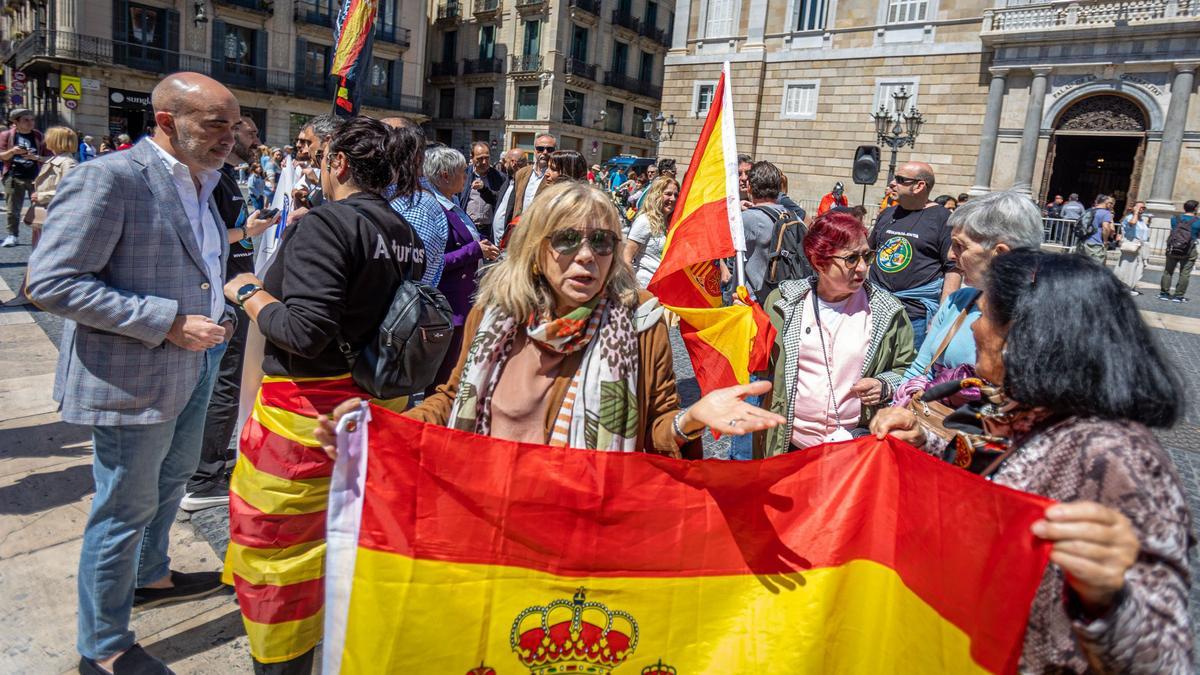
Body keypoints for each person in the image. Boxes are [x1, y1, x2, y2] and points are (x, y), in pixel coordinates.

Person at [871, 250, 1192, 673]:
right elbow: (994, 466)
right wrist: (924, 441)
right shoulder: (1023, 412)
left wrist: (1108, 597)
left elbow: (1168, 660)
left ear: (1026, 336)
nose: (975, 327)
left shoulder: (1117, 458)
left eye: (985, 315)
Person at [313, 181, 784, 460]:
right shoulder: (494, 315)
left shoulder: (641, 321)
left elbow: (656, 431)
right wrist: (382, 429)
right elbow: (452, 400)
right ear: (536, 247)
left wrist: (691, 418)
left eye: (602, 242)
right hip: (489, 518)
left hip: (586, 530)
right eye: (567, 239)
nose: (587, 256)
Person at [26, 72, 240, 675]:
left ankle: (151, 575)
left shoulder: (204, 181)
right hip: (134, 376)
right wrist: (167, 322)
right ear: (167, 121)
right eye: (215, 124)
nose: (230, 136)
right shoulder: (110, 178)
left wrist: (218, 311)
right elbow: (50, 282)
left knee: (171, 482)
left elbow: (199, 263)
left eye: (233, 124)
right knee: (122, 508)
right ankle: (104, 646)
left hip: (196, 363)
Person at [220, 116, 427, 674]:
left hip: (305, 425)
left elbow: (305, 331)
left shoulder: (327, 224)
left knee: (280, 559)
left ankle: (286, 661)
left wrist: (249, 292)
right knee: (343, 549)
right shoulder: (405, 234)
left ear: (338, 163)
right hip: (370, 415)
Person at [180, 114, 278, 513]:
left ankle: (200, 466)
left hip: (232, 292)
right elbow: (204, 236)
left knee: (222, 382)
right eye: (250, 132)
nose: (256, 140)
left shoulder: (225, 178)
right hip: (226, 295)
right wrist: (249, 231)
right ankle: (203, 478)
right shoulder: (214, 180)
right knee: (224, 385)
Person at [757, 210, 915, 456]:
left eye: (867, 256)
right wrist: (743, 326)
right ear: (819, 262)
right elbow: (760, 365)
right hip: (790, 445)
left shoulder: (887, 310)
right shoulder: (783, 303)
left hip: (856, 447)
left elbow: (909, 370)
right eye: (851, 259)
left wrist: (884, 384)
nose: (862, 268)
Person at [899, 190, 1045, 389]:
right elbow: (920, 371)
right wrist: (899, 400)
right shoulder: (958, 301)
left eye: (960, 246)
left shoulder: (1050, 319)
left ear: (1001, 254)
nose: (950, 255)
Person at [423, 145, 501, 391]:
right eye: (462, 172)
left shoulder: (452, 202)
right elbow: (434, 262)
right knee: (443, 380)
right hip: (448, 306)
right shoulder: (433, 209)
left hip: (463, 302)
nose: (466, 176)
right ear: (445, 176)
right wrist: (475, 250)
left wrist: (481, 246)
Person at [869, 161, 961, 349]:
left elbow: (953, 269)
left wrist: (942, 316)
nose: (892, 183)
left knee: (907, 367)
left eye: (900, 179)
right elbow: (868, 254)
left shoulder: (944, 219)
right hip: (875, 308)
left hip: (914, 317)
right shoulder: (887, 214)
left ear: (919, 186)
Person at [384, 119, 450, 287]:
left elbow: (400, 287)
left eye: (386, 142)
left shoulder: (415, 209)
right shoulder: (398, 198)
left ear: (415, 157)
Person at [740, 161, 791, 301]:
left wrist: (735, 209)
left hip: (753, 302)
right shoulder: (790, 215)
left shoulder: (749, 218)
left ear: (749, 187)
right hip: (783, 300)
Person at [26, 126, 79, 250]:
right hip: (46, 212)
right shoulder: (55, 159)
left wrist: (41, 196)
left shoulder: (68, 163)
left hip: (55, 214)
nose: (45, 141)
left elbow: (70, 190)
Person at [0, 108, 46, 247]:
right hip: (14, 176)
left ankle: (40, 236)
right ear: (16, 122)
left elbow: (47, 156)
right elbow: (2, 156)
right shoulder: (6, 135)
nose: (30, 123)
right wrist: (12, 151)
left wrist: (35, 157)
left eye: (32, 120)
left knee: (40, 207)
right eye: (26, 120)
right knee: (12, 209)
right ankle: (12, 235)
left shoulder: (38, 136)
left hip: (35, 177)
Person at [623, 176, 678, 286]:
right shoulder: (644, 221)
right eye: (668, 194)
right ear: (656, 195)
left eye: (676, 195)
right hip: (644, 286)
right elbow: (626, 259)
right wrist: (634, 288)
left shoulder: (671, 223)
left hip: (663, 287)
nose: (673, 199)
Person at [457, 141, 505, 241]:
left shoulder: (499, 177)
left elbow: (500, 201)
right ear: (472, 157)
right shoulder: (463, 175)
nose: (484, 162)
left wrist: (484, 189)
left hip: (489, 230)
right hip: (468, 227)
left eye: (487, 158)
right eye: (480, 158)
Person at [1159, 199, 1199, 302]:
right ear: (1195, 208)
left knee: (1168, 271)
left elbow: (1174, 230)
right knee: (1184, 273)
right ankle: (1178, 296)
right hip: (1189, 249)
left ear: (1184, 208)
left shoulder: (1175, 219)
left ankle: (1164, 294)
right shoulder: (1198, 221)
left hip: (1173, 248)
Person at [510, 133, 556, 221]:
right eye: (540, 149)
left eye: (549, 149)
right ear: (534, 150)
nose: (545, 152)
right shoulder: (521, 173)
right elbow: (513, 204)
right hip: (519, 225)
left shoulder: (557, 176)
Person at [491, 147, 529, 245]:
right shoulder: (509, 180)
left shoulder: (524, 185)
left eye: (505, 162)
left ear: (513, 163)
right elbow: (498, 199)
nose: (504, 165)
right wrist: (483, 189)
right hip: (497, 240)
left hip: (509, 241)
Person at [1114, 200, 1151, 296]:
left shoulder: (1141, 220)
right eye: (1140, 207)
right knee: (1128, 266)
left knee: (1138, 267)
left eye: (1143, 208)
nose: (1142, 209)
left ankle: (1131, 286)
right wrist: (1135, 212)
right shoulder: (1130, 217)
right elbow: (1133, 223)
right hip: (1131, 244)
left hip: (1140, 245)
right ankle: (1124, 287)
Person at [1075, 194, 1113, 264]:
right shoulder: (1106, 213)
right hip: (1095, 244)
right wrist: (1105, 241)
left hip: (1082, 242)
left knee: (1081, 266)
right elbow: (1106, 228)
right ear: (1106, 202)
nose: (1111, 205)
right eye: (1110, 203)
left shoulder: (1088, 210)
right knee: (1096, 267)